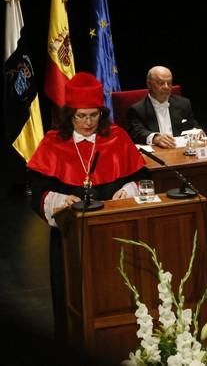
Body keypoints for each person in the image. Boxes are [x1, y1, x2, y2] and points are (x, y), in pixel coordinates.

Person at [26, 72, 146, 344]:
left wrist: (128, 190)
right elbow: (37, 193)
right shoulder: (53, 143)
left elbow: (140, 178)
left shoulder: (117, 137)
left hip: (114, 232)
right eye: (81, 116)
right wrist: (58, 200)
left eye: (94, 115)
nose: (88, 122)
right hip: (70, 238)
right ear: (69, 116)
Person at [127, 66, 201, 148]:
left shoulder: (183, 104)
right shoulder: (137, 109)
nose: (166, 87)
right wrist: (156, 138)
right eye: (161, 83)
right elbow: (137, 132)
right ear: (149, 84)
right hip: (156, 153)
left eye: (169, 83)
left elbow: (194, 126)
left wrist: (198, 132)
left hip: (181, 151)